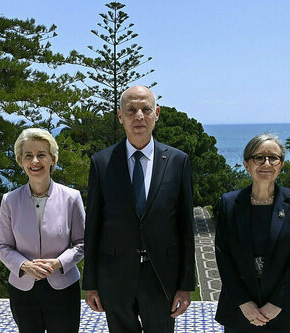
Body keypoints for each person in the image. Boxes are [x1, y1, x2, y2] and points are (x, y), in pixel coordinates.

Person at [83, 85, 195, 333]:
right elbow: (93, 226)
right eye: (131, 110)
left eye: (145, 109)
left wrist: (186, 285)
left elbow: (186, 228)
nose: (139, 116)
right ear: (120, 116)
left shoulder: (178, 162)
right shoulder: (101, 163)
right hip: (115, 277)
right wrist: (90, 283)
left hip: (161, 276)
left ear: (157, 113)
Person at [215, 134, 290, 333]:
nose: (266, 163)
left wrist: (277, 304)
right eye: (259, 157)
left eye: (273, 158)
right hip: (240, 312)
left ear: (281, 164)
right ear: (246, 164)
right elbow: (224, 257)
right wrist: (244, 303)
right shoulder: (229, 203)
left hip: (284, 311)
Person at [0, 128, 85, 333]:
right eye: (28, 155)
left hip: (64, 288)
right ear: (20, 160)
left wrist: (58, 263)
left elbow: (82, 243)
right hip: (23, 289)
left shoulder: (71, 197)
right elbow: (2, 246)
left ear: (53, 159)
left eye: (41, 155)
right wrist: (24, 265)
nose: (35, 161)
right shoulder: (9, 200)